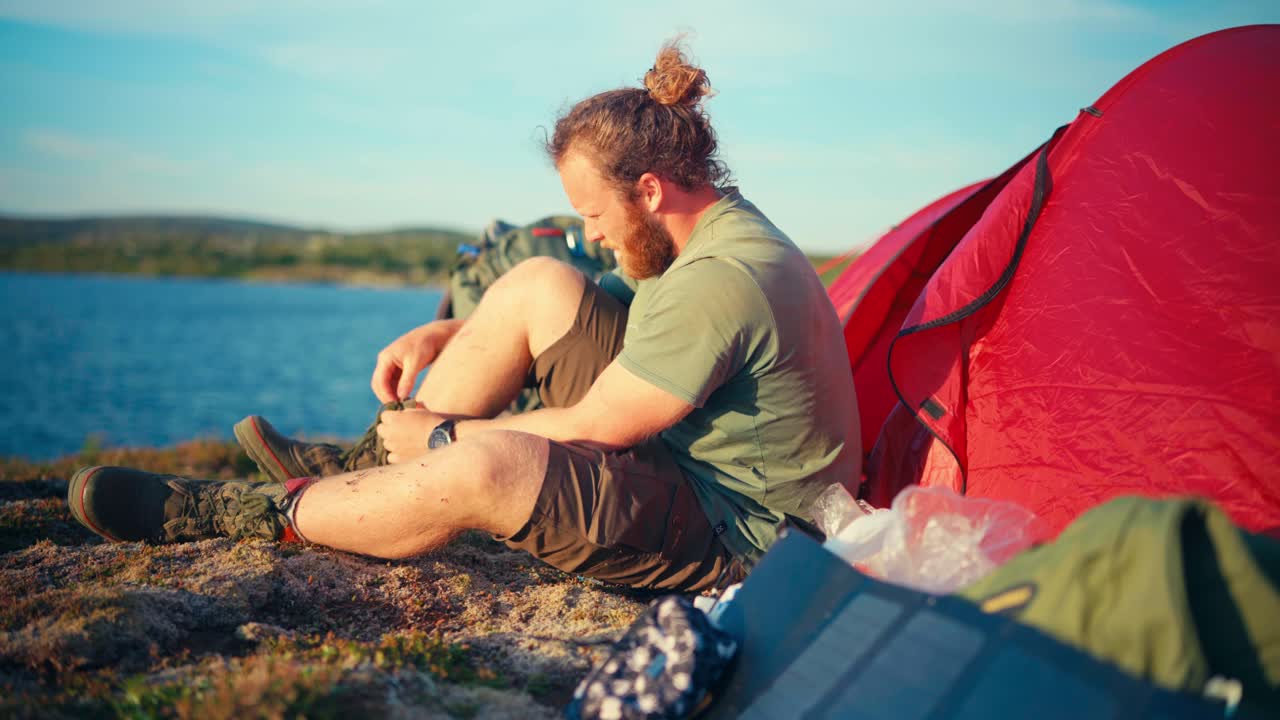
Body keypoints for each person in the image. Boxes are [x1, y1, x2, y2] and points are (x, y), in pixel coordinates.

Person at [66, 40, 861, 592]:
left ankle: (251, 515)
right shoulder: (704, 227)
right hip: (691, 458)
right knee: (539, 278)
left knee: (488, 469)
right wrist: (446, 331)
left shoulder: (722, 275)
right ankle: (370, 464)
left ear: (650, 189)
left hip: (742, 538)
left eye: (593, 213)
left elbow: (598, 425)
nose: (592, 232)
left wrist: (447, 438)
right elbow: (624, 306)